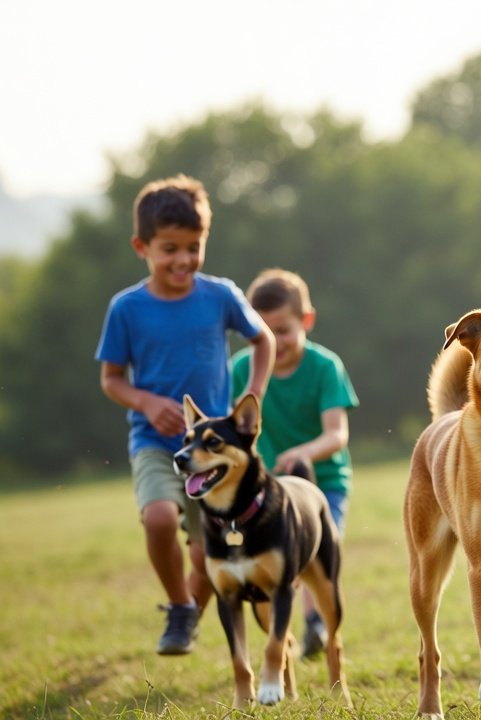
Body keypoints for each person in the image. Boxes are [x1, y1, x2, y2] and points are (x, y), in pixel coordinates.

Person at [96, 175, 274, 655]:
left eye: (194, 247)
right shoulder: (126, 309)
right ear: (142, 246)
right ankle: (179, 607)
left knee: (204, 555)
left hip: (213, 451)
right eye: (169, 248)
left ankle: (188, 616)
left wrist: (252, 395)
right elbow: (111, 379)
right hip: (154, 443)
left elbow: (264, 340)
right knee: (157, 519)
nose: (183, 259)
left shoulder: (220, 296)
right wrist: (147, 403)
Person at [231, 268, 359, 659]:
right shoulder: (240, 370)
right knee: (271, 560)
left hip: (323, 483)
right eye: (263, 332)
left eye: (283, 330)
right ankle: (280, 636)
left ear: (306, 321)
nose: (274, 341)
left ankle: (317, 623)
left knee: (311, 556)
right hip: (267, 491)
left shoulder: (324, 367)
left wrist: (304, 452)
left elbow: (337, 434)